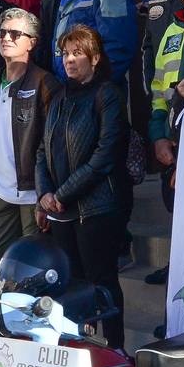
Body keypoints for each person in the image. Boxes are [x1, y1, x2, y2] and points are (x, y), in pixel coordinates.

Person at [37, 25, 130, 349]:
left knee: (101, 282)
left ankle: (115, 349)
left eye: (77, 53)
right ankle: (79, 349)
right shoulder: (60, 96)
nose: (70, 60)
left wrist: (61, 194)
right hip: (61, 212)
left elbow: (104, 155)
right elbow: (42, 150)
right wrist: (44, 194)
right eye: (65, 54)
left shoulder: (108, 95)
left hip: (98, 209)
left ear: (95, 57)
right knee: (70, 284)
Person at [0, 8, 59, 285]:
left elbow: (50, 143)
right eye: (3, 32)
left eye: (16, 33)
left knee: (31, 271)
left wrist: (46, 191)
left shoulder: (45, 82)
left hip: (33, 193)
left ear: (32, 42)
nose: (6, 38)